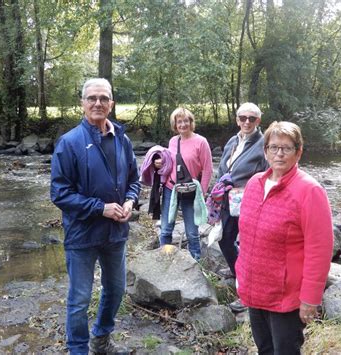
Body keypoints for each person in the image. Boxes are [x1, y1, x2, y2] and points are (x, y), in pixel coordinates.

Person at [50, 78, 140, 355]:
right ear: (82, 103)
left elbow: (134, 180)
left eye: (103, 98)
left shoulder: (122, 139)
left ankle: (101, 340)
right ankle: (78, 350)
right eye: (92, 98)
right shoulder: (69, 142)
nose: (97, 103)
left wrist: (129, 200)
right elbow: (59, 193)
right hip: (82, 234)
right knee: (79, 300)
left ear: (112, 103)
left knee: (115, 291)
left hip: (115, 234)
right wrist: (99, 208)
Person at [236, 121, 333, 354]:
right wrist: (241, 276)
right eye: (273, 147)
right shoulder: (253, 184)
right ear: (265, 150)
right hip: (255, 289)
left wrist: (310, 299)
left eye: (286, 148)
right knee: (264, 349)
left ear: (298, 152)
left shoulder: (309, 190)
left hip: (286, 297)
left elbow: (319, 250)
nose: (279, 153)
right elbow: (247, 237)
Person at [217, 103, 268, 281]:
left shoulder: (264, 144)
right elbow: (222, 168)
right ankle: (237, 270)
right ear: (237, 120)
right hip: (226, 199)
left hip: (248, 203)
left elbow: (268, 175)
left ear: (258, 121)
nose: (247, 122)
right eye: (243, 118)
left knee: (248, 245)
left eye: (251, 118)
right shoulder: (233, 141)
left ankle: (246, 282)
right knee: (224, 239)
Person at [154, 107, 212, 260]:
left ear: (191, 122)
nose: (183, 124)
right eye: (179, 122)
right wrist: (158, 163)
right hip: (170, 189)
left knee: (192, 232)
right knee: (166, 229)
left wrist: (202, 194)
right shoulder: (173, 141)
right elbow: (169, 163)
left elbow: (207, 169)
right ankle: (163, 260)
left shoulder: (201, 142)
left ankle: (196, 264)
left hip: (191, 191)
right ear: (175, 124)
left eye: (186, 121)